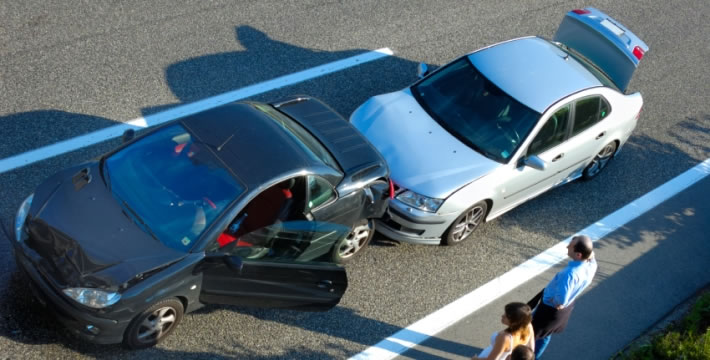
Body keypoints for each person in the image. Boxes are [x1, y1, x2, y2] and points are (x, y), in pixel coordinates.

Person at [530, 234, 597, 359]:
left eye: (571, 247)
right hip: (564, 310)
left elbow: (561, 300)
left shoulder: (570, 274)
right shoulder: (591, 265)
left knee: (530, 333)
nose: (567, 247)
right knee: (545, 335)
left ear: (579, 255)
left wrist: (550, 298)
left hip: (548, 310)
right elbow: (591, 255)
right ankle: (534, 357)